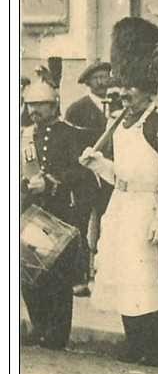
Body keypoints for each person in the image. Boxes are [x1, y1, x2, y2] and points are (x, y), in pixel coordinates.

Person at [79, 17, 158, 367]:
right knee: (126, 274)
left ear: (147, 87)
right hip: (122, 207)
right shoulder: (123, 123)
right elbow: (122, 175)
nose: (123, 93)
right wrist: (99, 165)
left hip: (150, 209)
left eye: (130, 87)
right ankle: (136, 343)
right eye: (121, 86)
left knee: (151, 277)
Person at [20, 59, 93, 349]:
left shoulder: (69, 133)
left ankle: (56, 333)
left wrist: (52, 182)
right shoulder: (24, 136)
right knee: (28, 272)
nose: (34, 111)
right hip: (30, 212)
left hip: (60, 213)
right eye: (30, 105)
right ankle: (38, 325)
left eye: (40, 105)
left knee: (57, 278)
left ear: (53, 106)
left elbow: (81, 172)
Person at [65, 59, 114, 297]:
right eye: (98, 78)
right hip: (85, 178)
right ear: (88, 82)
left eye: (106, 76)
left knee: (110, 224)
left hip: (112, 176)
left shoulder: (119, 105)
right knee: (80, 225)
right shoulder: (77, 109)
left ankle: (105, 275)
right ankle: (80, 277)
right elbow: (71, 147)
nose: (103, 82)